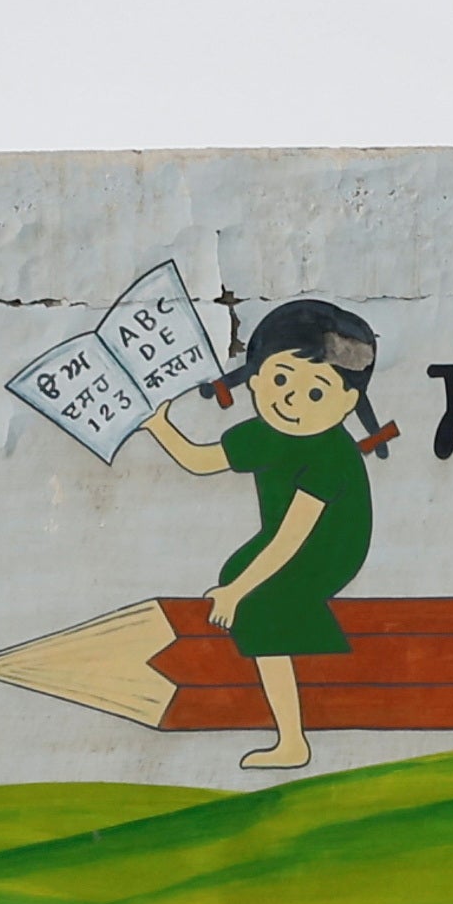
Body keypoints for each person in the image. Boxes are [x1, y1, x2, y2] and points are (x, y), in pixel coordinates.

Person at [142, 298, 388, 774]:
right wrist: (159, 426)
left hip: (332, 545)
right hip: (287, 538)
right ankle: (291, 736)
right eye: (279, 381)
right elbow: (199, 460)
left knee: (256, 595)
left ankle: (293, 740)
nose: (291, 400)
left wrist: (236, 592)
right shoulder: (264, 433)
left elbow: (292, 539)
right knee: (243, 579)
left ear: (347, 402)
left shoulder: (329, 455)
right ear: (255, 380)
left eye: (316, 393)